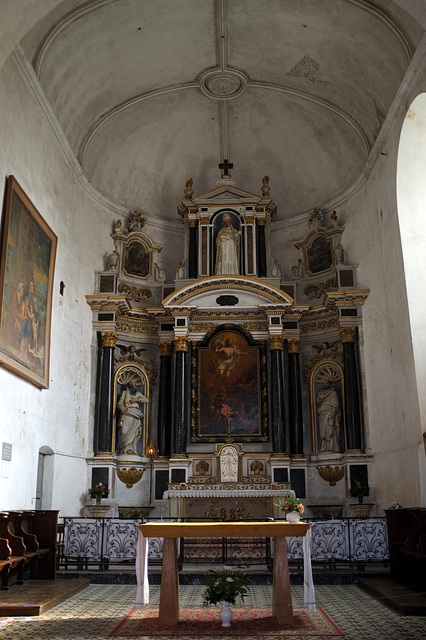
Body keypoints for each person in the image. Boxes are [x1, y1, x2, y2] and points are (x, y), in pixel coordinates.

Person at [117, 380, 148, 455]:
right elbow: (120, 403)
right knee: (123, 431)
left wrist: (137, 400)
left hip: (135, 413)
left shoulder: (138, 394)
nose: (132, 384)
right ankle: (122, 449)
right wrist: (122, 408)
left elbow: (146, 400)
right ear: (129, 385)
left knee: (135, 432)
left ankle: (132, 449)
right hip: (127, 413)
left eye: (133, 383)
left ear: (136, 385)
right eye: (130, 383)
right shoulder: (125, 393)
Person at [316, 380, 341, 453]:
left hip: (330, 413)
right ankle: (324, 447)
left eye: (326, 383)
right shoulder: (320, 393)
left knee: (330, 430)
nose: (324, 384)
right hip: (322, 414)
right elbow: (318, 401)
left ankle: (332, 447)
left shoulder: (333, 393)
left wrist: (333, 412)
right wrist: (320, 398)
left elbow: (336, 404)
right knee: (323, 430)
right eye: (323, 383)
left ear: (329, 384)